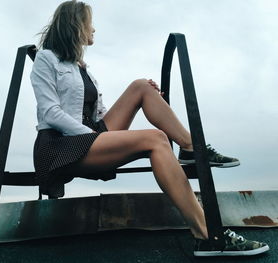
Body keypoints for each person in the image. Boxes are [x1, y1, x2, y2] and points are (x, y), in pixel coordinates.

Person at [30, 0, 269, 257]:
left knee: (141, 86)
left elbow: (99, 114)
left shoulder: (83, 69)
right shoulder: (46, 59)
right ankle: (209, 234)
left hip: (90, 136)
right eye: (90, 24)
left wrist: (137, 105)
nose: (94, 30)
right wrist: (95, 137)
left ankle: (191, 148)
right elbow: (50, 113)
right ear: (76, 25)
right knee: (156, 139)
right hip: (60, 146)